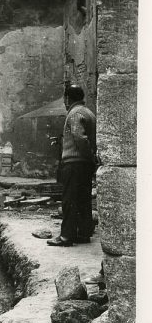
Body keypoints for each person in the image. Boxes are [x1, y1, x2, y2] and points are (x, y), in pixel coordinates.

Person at [47, 84, 96, 247]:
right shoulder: (89, 113)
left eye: (64, 99)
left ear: (67, 99)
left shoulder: (74, 114)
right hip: (85, 165)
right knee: (83, 199)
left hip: (74, 163)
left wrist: (87, 154)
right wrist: (91, 158)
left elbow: (79, 138)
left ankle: (66, 236)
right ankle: (83, 233)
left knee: (69, 200)